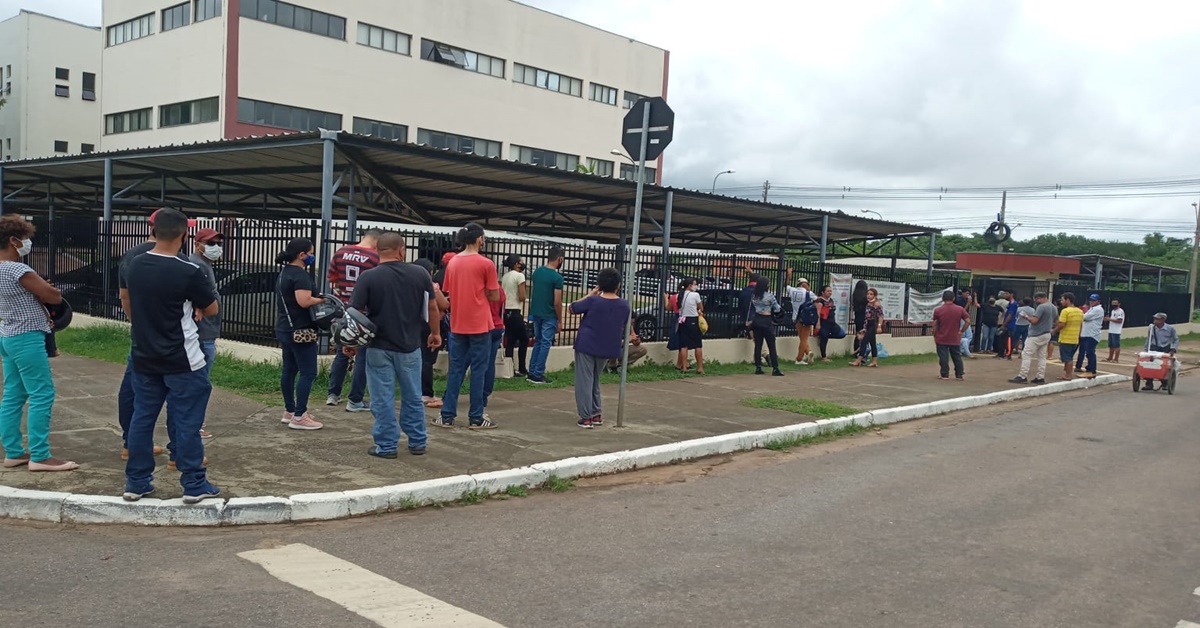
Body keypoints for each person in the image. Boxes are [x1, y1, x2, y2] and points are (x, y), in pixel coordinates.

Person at [122, 208, 220, 502]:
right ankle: (194, 484)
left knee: (142, 418)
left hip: (144, 354)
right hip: (183, 357)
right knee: (187, 420)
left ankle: (136, 482)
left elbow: (127, 298)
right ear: (184, 235)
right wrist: (196, 306)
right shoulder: (188, 270)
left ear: (153, 232)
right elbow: (212, 308)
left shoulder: (135, 264)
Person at [351, 232, 439, 457]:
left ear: (378, 251)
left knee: (382, 398)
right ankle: (418, 441)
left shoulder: (368, 277)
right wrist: (435, 333)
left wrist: (349, 343)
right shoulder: (420, 273)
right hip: (410, 346)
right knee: (413, 395)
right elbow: (432, 307)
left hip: (378, 347)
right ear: (401, 250)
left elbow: (354, 313)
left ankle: (387, 446)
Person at [0, 215, 77, 472]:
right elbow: (53, 296)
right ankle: (40, 455)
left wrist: (39, 288)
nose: (27, 244)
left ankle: (13, 451)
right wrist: (45, 288)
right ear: (13, 241)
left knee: (13, 394)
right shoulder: (18, 269)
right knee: (42, 394)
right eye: (25, 239)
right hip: (27, 336)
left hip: (8, 333)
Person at [116, 209, 171, 461]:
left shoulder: (131, 255)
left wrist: (136, 323)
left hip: (141, 333)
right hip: (169, 336)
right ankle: (180, 451)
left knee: (133, 386)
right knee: (177, 392)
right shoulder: (170, 257)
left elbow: (124, 296)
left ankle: (130, 442)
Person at [436, 223, 501, 429]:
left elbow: (447, 291)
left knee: (456, 369)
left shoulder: (453, 262)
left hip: (457, 323)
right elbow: (494, 294)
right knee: (479, 370)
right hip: (480, 322)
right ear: (480, 238)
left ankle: (447, 415)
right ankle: (476, 416)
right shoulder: (486, 264)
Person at [325, 228, 382, 411]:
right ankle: (355, 399)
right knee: (363, 356)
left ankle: (333, 394)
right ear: (378, 241)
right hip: (365, 313)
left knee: (343, 352)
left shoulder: (340, 252)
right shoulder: (375, 258)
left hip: (345, 309)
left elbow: (332, 280)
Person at [274, 238, 327, 430]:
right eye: (311, 252)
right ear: (302, 255)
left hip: (284, 328)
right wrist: (320, 300)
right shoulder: (300, 275)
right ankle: (300, 415)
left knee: (289, 370)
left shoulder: (284, 273)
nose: (313, 256)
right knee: (308, 372)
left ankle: (290, 410)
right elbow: (304, 301)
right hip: (301, 330)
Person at [569, 268, 632, 428]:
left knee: (584, 380)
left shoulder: (593, 301)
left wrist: (591, 294)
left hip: (587, 343)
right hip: (608, 346)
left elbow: (573, 307)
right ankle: (596, 413)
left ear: (600, 284)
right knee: (595, 379)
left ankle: (586, 417)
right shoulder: (624, 305)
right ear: (618, 285)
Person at [188, 227, 224, 440]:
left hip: (207, 331)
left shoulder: (205, 265)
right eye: (211, 244)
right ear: (197, 244)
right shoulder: (197, 266)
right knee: (200, 382)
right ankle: (194, 425)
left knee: (200, 381)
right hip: (202, 333)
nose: (216, 248)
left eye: (218, 244)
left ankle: (195, 423)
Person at [412, 259, 450, 407]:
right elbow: (443, 304)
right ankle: (426, 393)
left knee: (417, 356)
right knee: (427, 359)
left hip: (414, 323)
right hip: (430, 324)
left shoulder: (409, 284)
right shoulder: (432, 286)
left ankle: (416, 391)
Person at [527, 247, 564, 384]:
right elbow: (557, 302)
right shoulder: (557, 277)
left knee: (538, 341)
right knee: (545, 343)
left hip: (536, 312)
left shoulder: (537, 273)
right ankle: (538, 373)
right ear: (560, 259)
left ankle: (532, 371)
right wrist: (560, 320)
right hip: (549, 314)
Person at [1009, 292, 1058, 385]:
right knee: (1042, 356)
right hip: (1046, 333)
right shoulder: (1053, 307)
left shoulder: (1041, 307)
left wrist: (1026, 316)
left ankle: (1022, 376)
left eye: (1036, 300)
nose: (1035, 302)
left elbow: (1034, 321)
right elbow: (1056, 321)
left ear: (1039, 298)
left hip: (1036, 334)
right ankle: (1040, 377)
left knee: (1026, 354)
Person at [747, 275, 784, 376]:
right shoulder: (770, 296)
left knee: (758, 345)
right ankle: (775, 368)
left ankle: (758, 367)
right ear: (766, 285)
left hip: (757, 319)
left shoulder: (754, 295)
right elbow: (777, 308)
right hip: (766, 320)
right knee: (771, 345)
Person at [500, 254, 529, 377]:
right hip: (515, 311)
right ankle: (522, 368)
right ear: (517, 264)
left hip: (505, 311)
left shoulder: (505, 276)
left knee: (510, 339)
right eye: (521, 262)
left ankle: (509, 368)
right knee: (524, 339)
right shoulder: (519, 276)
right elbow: (522, 296)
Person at [933, 290, 969, 381]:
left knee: (943, 356)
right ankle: (959, 374)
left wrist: (935, 334)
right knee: (957, 356)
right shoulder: (960, 309)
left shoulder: (938, 310)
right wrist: (961, 331)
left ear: (942, 299)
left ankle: (945, 374)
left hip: (942, 337)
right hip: (955, 337)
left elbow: (934, 325)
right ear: (953, 298)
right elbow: (968, 321)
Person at [1141, 313, 1179, 391]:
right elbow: (1149, 339)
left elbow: (1175, 339)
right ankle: (1149, 383)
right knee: (1150, 364)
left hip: (1165, 348)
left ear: (1163, 320)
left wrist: (1173, 349)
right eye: (1155, 318)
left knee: (1163, 366)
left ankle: (1165, 382)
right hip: (1154, 347)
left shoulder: (1170, 328)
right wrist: (1145, 350)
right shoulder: (1151, 327)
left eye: (1157, 319)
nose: (1155, 320)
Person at [675, 277, 705, 374]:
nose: (696, 286)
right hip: (693, 319)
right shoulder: (695, 295)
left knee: (684, 345)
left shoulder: (679, 295)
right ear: (690, 285)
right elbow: (701, 307)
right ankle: (700, 368)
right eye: (695, 284)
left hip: (683, 320)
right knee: (698, 345)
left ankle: (684, 367)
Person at [785, 268, 814, 365]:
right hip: (806, 318)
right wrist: (808, 289)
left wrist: (789, 274)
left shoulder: (792, 290)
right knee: (804, 339)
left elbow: (787, 285)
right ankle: (799, 359)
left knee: (801, 338)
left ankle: (808, 352)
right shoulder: (808, 293)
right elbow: (817, 299)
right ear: (805, 284)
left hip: (796, 318)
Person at [850, 287, 883, 367]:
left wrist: (879, 326)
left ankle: (859, 360)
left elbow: (880, 316)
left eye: (871, 294)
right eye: (868, 294)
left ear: (875, 295)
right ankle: (874, 361)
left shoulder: (876, 304)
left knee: (864, 342)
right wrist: (864, 328)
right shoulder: (868, 304)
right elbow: (866, 317)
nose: (869, 296)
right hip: (868, 324)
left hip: (873, 324)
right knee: (872, 343)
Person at [1053, 292, 1083, 380]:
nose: (1061, 302)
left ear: (1067, 300)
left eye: (1062, 300)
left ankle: (1068, 375)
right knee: (1069, 357)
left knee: (1067, 358)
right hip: (1075, 338)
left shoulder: (1065, 311)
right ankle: (1067, 373)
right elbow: (1081, 325)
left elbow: (1062, 324)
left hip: (1066, 337)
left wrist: (1054, 330)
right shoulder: (1080, 311)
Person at [1075, 294, 1103, 378]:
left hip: (1092, 334)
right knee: (1088, 352)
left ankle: (1091, 370)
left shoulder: (1098, 310)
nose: (1091, 302)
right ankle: (1089, 369)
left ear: (1098, 301)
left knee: (1090, 353)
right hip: (1087, 333)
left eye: (1094, 300)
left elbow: (1084, 317)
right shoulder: (1092, 309)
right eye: (1091, 300)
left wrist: (1079, 312)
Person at [814, 284, 837, 362]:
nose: (830, 292)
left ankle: (825, 336)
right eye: (828, 291)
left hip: (832, 322)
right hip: (824, 323)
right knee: (824, 339)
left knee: (841, 334)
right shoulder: (819, 301)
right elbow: (818, 312)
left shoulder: (831, 300)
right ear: (823, 292)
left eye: (830, 291)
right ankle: (823, 357)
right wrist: (818, 323)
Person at [1103, 298, 1126, 363]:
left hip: (1116, 331)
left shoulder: (1120, 311)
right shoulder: (1113, 311)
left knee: (1116, 345)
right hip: (1111, 330)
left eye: (1115, 303)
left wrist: (1109, 319)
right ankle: (1110, 357)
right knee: (1111, 345)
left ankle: (1116, 359)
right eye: (1113, 303)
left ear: (1119, 304)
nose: (1114, 305)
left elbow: (1119, 320)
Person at [958, 291, 975, 360]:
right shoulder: (959, 300)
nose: (968, 295)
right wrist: (968, 303)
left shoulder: (966, 300)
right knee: (963, 337)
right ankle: (964, 351)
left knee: (969, 336)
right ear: (963, 293)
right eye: (966, 293)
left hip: (965, 318)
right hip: (961, 319)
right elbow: (962, 311)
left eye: (968, 294)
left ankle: (963, 350)